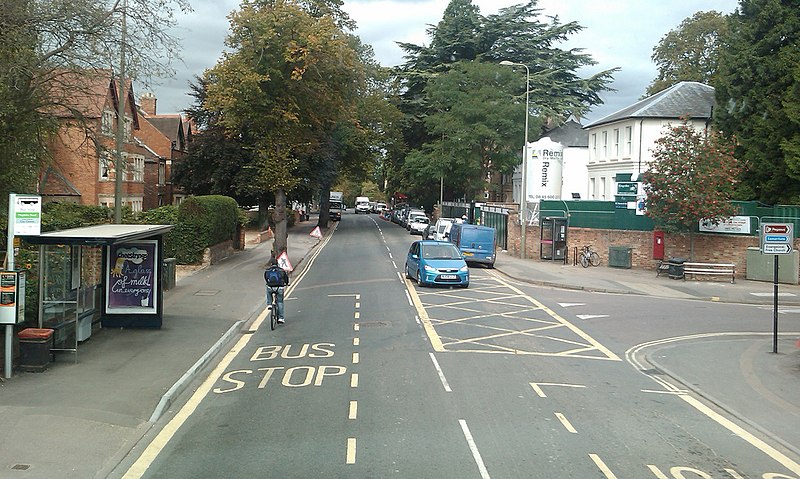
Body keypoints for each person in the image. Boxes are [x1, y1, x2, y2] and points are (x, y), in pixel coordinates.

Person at [264, 258, 290, 324]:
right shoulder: (281, 270)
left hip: (271, 287)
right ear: (277, 263)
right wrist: (286, 284)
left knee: (268, 292)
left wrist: (269, 283)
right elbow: (286, 278)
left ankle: (269, 304)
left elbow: (266, 278)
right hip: (279, 288)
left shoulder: (267, 270)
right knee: (280, 302)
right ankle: (281, 318)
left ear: (271, 264)